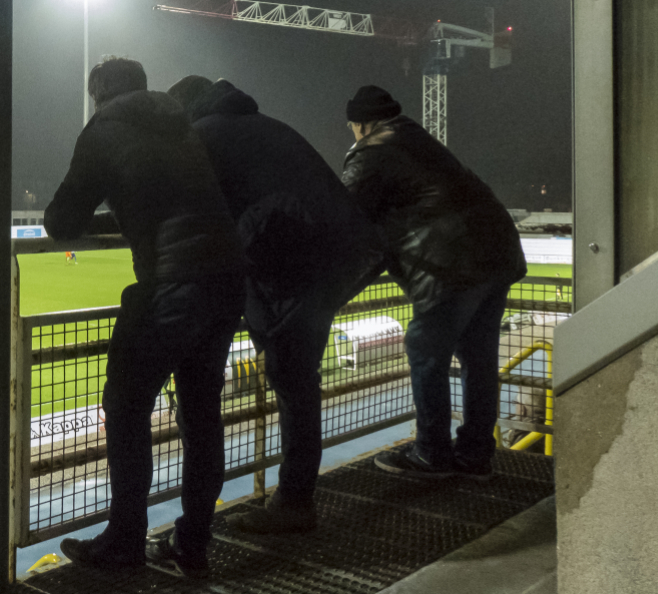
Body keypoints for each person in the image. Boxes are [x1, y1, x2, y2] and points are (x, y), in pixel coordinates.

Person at [47, 57, 243, 578]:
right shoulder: (181, 126)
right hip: (226, 280)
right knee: (201, 414)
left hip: (172, 284)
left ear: (97, 96)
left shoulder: (102, 130)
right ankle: (192, 546)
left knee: (128, 407)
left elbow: (61, 220)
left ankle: (126, 540)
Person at [167, 76, 381, 533]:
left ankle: (294, 504)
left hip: (302, 265)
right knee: (296, 379)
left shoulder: (204, 135)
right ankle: (294, 498)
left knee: (293, 380)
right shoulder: (260, 125)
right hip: (332, 257)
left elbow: (189, 210)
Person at [339, 85, 527, 480]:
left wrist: (334, 291)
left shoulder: (371, 151)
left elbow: (347, 224)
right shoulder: (419, 140)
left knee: (425, 348)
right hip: (498, 253)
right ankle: (475, 455)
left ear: (361, 124)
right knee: (479, 359)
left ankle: (431, 454)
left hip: (453, 262)